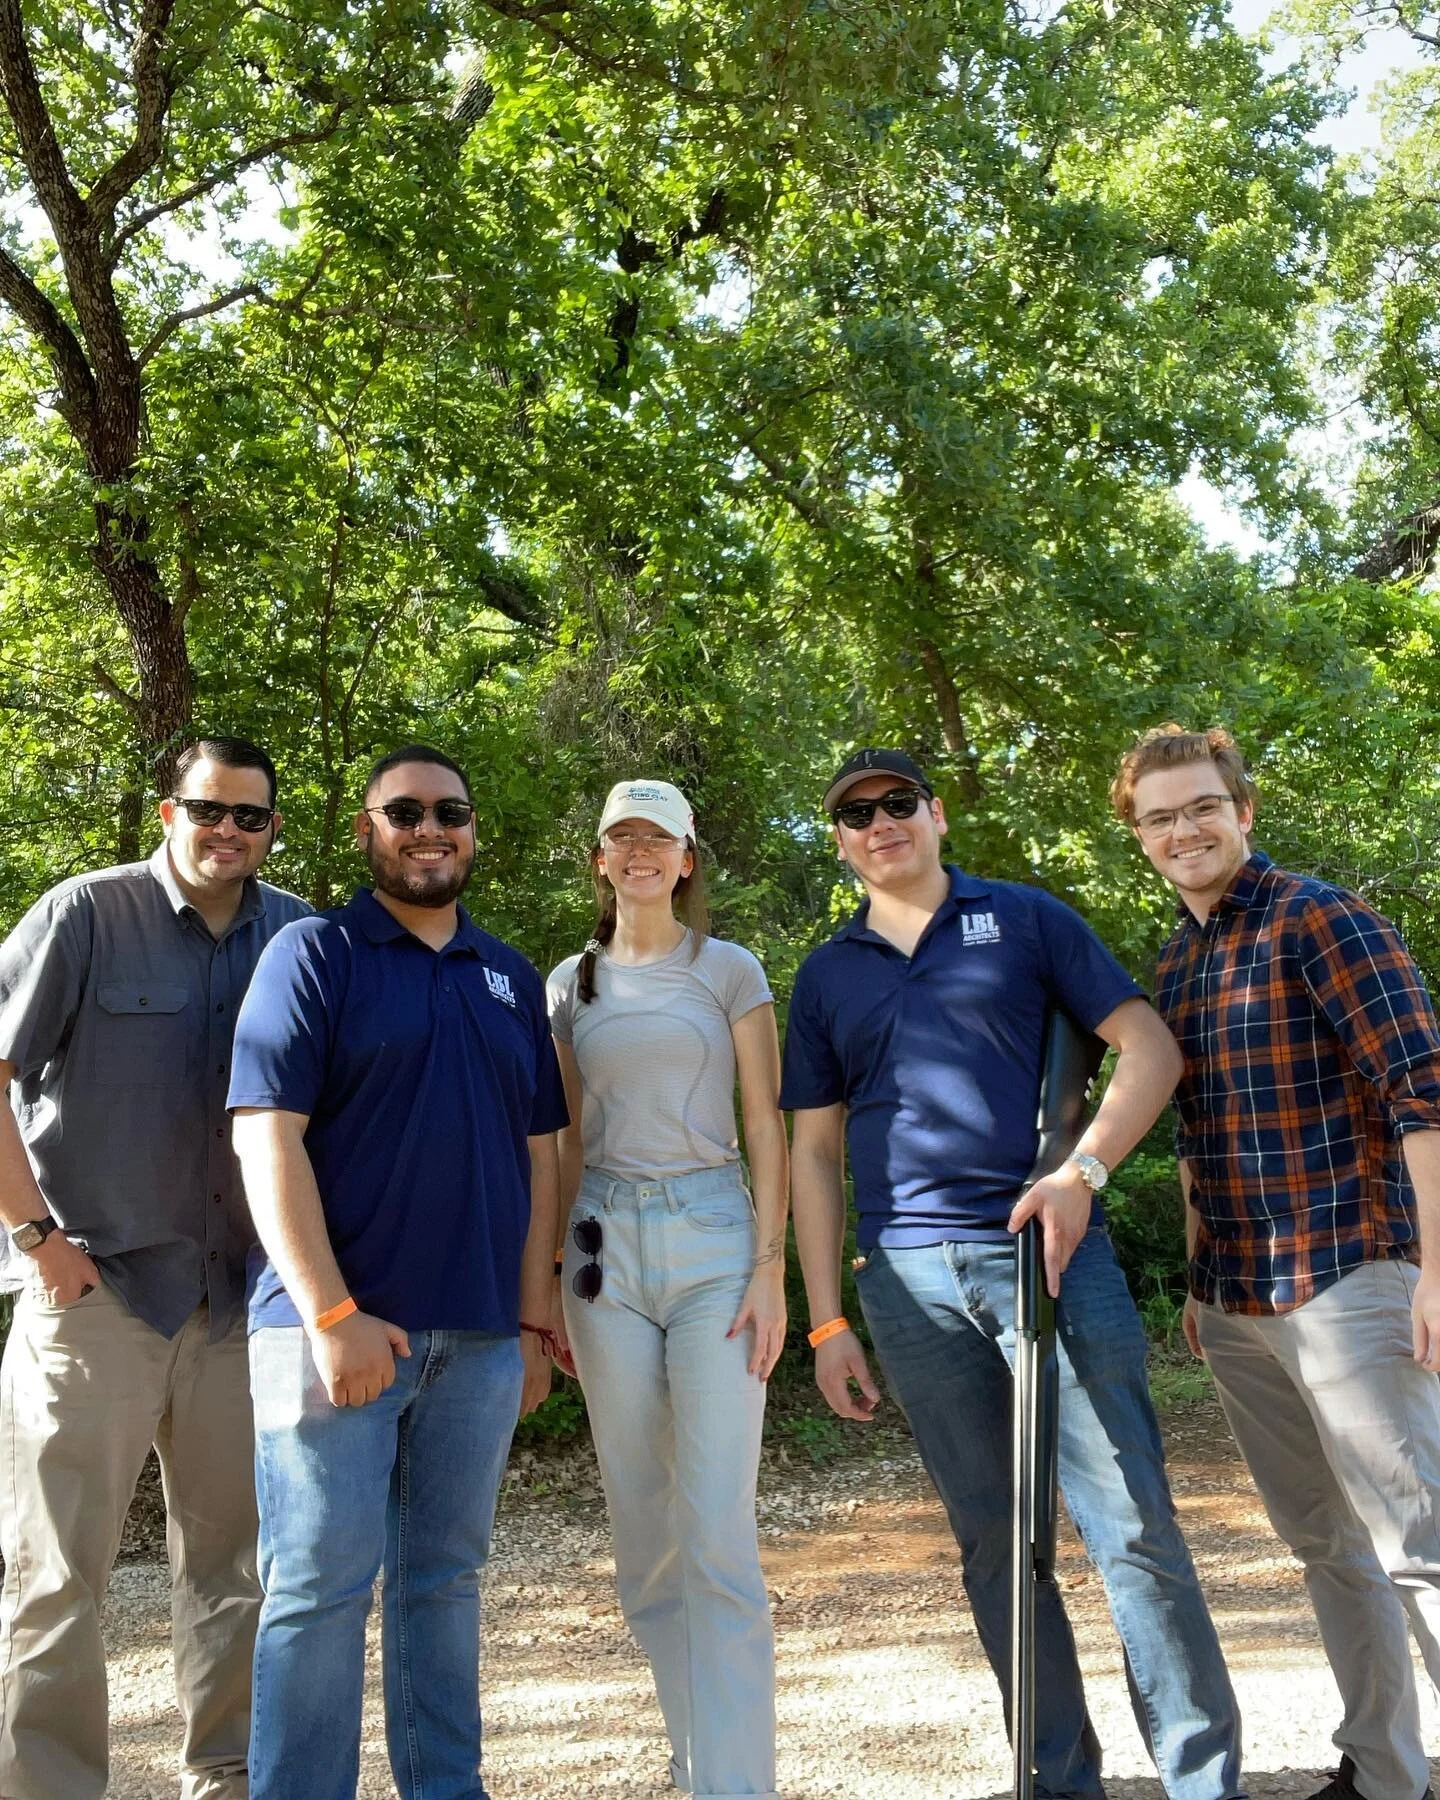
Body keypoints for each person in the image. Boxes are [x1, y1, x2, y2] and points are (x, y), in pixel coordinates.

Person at [782, 746, 1244, 1800]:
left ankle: (1205, 1782)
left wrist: (1084, 1172)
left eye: (899, 802)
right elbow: (812, 1152)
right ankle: (1059, 1780)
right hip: (906, 1284)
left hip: (1049, 1258)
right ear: (840, 840)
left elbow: (1150, 1050)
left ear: (936, 813)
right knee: (995, 1545)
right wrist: (827, 1320)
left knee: (1132, 1530)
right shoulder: (826, 973)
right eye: (856, 813)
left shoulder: (1025, 918)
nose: (880, 822)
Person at [228, 744, 567, 1800]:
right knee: (317, 1591)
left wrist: (533, 1323)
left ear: (473, 831)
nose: (430, 829)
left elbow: (539, 1156)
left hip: (479, 1344)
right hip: (332, 1336)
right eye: (405, 812)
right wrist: (332, 1313)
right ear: (366, 830)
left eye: (450, 812)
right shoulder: (313, 954)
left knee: (444, 1586)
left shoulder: (510, 976)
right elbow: (264, 1137)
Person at [1115, 722, 1440, 1800]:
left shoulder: (1322, 919)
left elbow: (1425, 1094)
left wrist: (1438, 1273)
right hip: (1238, 1300)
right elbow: (1198, 1131)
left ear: (1243, 811)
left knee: (1419, 1546)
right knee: (1326, 1548)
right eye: (1161, 818)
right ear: (1140, 836)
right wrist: (1198, 1275)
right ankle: (1386, 1776)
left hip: (1350, 1273)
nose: (1184, 830)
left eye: (1203, 807)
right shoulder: (1179, 958)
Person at [0, 735, 309, 1800]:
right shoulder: (86, 916)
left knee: (235, 1573)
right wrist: (38, 1241)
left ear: (272, 828)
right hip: (96, 1295)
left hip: (241, 1307)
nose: (227, 830)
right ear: (169, 811)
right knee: (55, 1577)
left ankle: (225, 1776)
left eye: (249, 816)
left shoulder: (299, 936)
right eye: (208, 809)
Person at [547, 778, 788, 1800]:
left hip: (714, 1244)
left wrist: (772, 1268)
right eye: (622, 837)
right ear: (600, 859)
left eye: (659, 837)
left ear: (687, 860)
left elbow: (767, 1121)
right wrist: (550, 1281)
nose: (639, 851)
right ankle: (698, 1762)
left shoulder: (727, 969)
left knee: (718, 1532)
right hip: (601, 1256)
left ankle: (738, 1786)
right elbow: (561, 1143)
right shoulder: (569, 983)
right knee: (645, 1531)